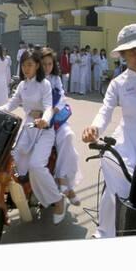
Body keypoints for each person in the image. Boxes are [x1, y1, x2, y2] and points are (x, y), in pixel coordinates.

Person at [82, 23, 136, 238]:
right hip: (128, 145)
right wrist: (94, 128)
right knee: (115, 189)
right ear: (123, 54)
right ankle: (106, 233)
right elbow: (105, 110)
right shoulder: (118, 83)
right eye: (133, 51)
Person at [0, 50, 68, 224]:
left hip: (44, 130)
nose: (26, 68)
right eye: (23, 65)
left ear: (37, 65)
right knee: (14, 156)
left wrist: (45, 120)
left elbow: (48, 107)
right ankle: (26, 193)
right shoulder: (22, 85)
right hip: (28, 127)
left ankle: (58, 200)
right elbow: (11, 104)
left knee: (36, 165)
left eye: (29, 64)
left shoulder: (44, 84)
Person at [41, 48, 82, 205]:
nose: (47, 67)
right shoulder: (34, 79)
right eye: (43, 64)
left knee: (69, 137)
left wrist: (55, 109)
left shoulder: (55, 78)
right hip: (39, 122)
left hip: (57, 120)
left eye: (50, 64)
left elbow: (62, 97)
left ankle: (63, 180)